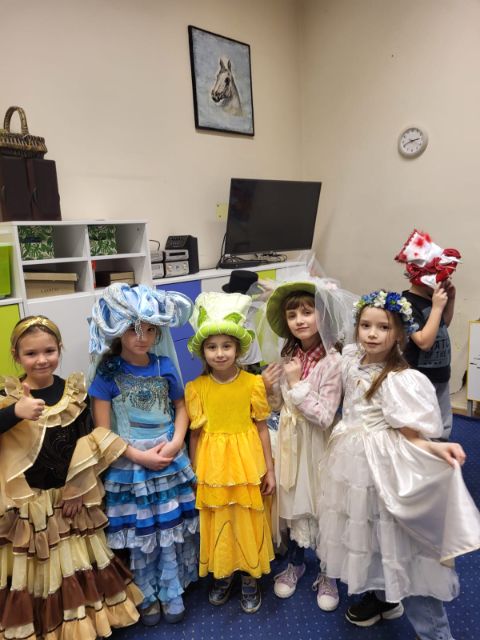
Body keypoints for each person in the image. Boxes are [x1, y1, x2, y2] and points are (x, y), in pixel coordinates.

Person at [316, 290, 480, 640]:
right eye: (365, 325)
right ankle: (383, 600)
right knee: (366, 532)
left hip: (385, 468)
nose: (372, 334)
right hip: (352, 466)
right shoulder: (351, 358)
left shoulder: (399, 378)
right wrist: (313, 286)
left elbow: (411, 434)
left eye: (383, 327)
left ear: (400, 333)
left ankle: (435, 633)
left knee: (401, 547)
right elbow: (327, 321)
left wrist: (437, 448)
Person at [0, 315, 143, 640]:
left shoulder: (73, 394)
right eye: (31, 353)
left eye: (49, 351)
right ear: (16, 355)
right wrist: (15, 413)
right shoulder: (9, 396)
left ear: (60, 349)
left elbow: (88, 444)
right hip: (29, 504)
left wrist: (78, 488)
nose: (41, 360)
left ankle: (80, 624)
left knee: (75, 563)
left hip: (69, 498)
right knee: (38, 570)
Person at [87, 283, 198, 626]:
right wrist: (139, 456)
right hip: (131, 464)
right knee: (141, 532)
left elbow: (181, 407)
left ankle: (173, 588)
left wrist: (177, 441)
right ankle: (147, 593)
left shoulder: (164, 366)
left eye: (150, 330)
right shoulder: (108, 374)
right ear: (118, 331)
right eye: (134, 329)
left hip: (169, 460)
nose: (143, 337)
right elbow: (103, 432)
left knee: (170, 526)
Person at [261, 276, 357, 611]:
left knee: (322, 504)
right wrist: (270, 388)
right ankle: (296, 562)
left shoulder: (334, 361)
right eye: (292, 315)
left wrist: (295, 382)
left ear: (323, 316)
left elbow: (325, 416)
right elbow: (279, 406)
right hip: (291, 441)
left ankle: (328, 571)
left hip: (318, 445)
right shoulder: (289, 352)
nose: (299, 320)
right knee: (292, 502)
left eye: (307, 312)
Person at [184, 291, 275, 614]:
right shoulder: (196, 388)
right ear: (203, 352)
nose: (220, 353)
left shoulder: (253, 383)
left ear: (238, 349)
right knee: (219, 516)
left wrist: (270, 469)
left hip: (247, 462)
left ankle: (250, 574)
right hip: (212, 465)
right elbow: (195, 435)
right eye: (212, 347)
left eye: (226, 346)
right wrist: (194, 471)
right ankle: (223, 573)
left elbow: (262, 428)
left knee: (247, 518)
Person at [395, 229, 461, 439]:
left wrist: (450, 301)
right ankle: (421, 449)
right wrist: (437, 307)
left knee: (442, 421)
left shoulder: (432, 300)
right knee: (421, 421)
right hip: (421, 376)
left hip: (441, 373)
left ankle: (439, 446)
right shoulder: (406, 303)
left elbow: (443, 325)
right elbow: (424, 341)